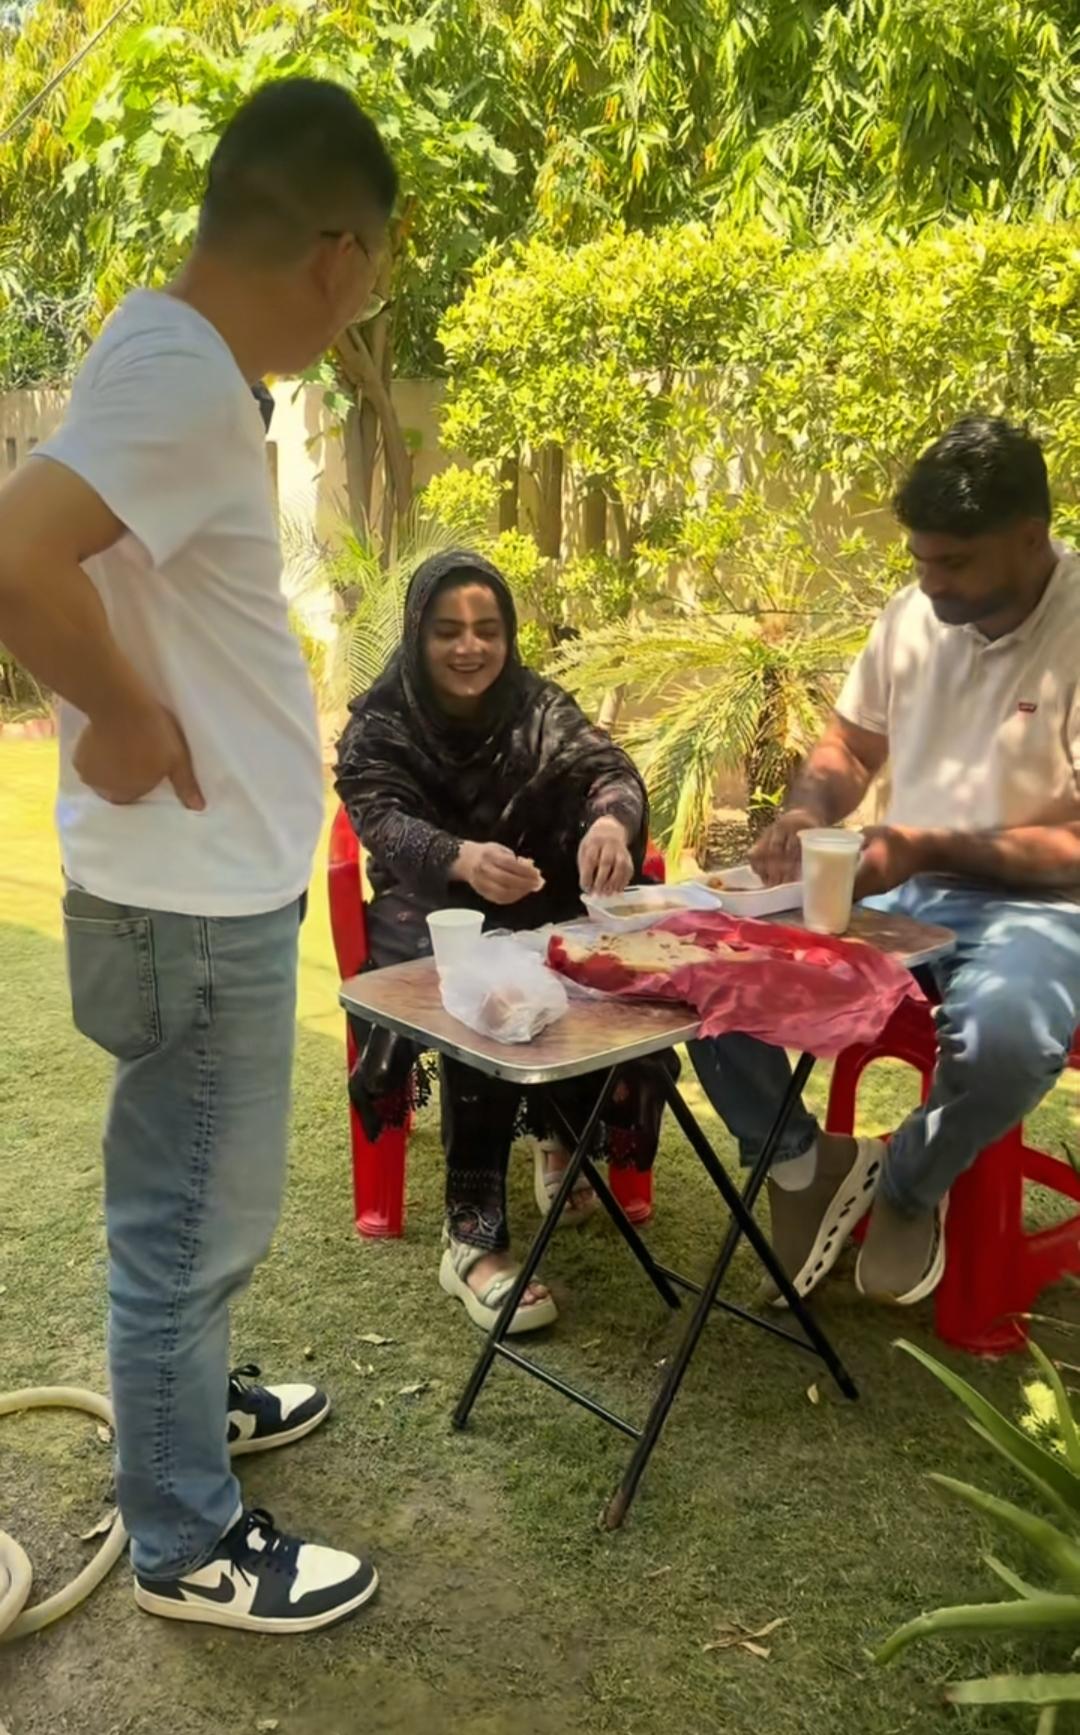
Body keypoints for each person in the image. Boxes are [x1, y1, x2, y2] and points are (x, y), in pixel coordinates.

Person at [0, 79, 398, 1634]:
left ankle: (190, 1399)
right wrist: (120, 712)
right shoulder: (178, 372)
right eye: (376, 271)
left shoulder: (164, 351)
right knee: (184, 1221)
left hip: (197, 886)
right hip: (192, 899)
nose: (364, 300)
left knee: (185, 1199)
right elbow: (16, 551)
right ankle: (187, 1538)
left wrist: (136, 703)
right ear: (337, 250)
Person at [691, 416, 1080, 1309]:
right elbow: (851, 745)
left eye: (954, 563)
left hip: (1047, 906)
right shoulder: (913, 615)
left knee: (1008, 1035)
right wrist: (807, 809)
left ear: (1030, 538)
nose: (929, 582)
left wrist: (923, 843)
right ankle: (802, 1164)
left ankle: (908, 1183)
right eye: (920, 560)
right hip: (904, 890)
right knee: (702, 958)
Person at [335, 551, 674, 1333]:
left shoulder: (537, 706)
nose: (471, 647)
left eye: (487, 629)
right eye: (448, 630)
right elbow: (382, 819)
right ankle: (471, 1237)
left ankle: (561, 1133)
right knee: (483, 990)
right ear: (417, 635)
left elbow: (608, 767)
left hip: (535, 895)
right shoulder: (381, 726)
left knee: (592, 955)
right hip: (426, 911)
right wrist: (460, 857)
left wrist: (609, 824)